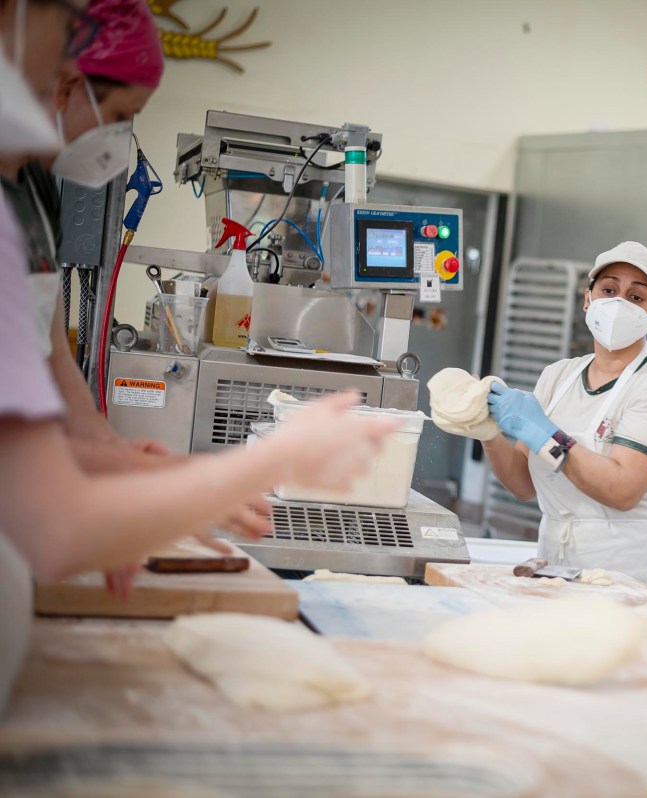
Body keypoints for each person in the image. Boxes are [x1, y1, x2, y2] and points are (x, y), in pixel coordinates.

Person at [0, 0, 398, 711]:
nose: (58, 73)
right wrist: (268, 461)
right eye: (56, 37)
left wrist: (131, 470)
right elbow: (54, 525)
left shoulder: (22, 199)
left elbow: (38, 382)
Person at [2, 0, 169, 474]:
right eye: (120, 115)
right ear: (69, 85)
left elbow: (54, 353)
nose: (118, 139)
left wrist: (109, 446)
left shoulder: (35, 189)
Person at [483, 242, 647, 603]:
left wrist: (546, 434)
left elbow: (622, 490)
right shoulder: (559, 376)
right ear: (588, 299)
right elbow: (523, 484)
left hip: (638, 573)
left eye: (636, 297)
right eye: (609, 290)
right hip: (562, 565)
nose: (618, 304)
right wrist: (488, 433)